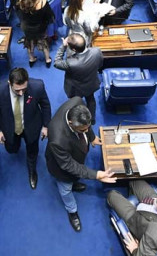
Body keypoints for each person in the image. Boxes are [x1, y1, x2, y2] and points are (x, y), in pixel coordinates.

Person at [44, 98, 115, 232]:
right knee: (65, 190)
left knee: (75, 176)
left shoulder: (78, 102)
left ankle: (74, 183)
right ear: (71, 123)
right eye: (83, 130)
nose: (87, 130)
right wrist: (96, 175)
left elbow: (86, 125)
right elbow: (69, 165)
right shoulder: (58, 139)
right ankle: (72, 211)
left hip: (74, 154)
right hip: (61, 168)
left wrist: (91, 137)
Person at [0, 67, 52, 190]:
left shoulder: (38, 86)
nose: (21, 93)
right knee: (12, 149)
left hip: (31, 125)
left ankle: (32, 171)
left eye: (24, 89)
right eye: (17, 90)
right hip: (9, 127)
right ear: (9, 83)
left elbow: (45, 105)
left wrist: (46, 126)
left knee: (32, 150)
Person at [54, 33, 104, 121]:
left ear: (73, 49)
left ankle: (80, 120)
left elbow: (57, 62)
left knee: (76, 103)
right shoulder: (97, 51)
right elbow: (100, 65)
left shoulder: (70, 63)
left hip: (75, 88)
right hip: (91, 83)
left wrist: (63, 47)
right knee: (91, 100)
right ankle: (92, 119)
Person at [15, 0, 55, 66]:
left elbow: (19, 14)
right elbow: (49, 16)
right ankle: (47, 60)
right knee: (43, 42)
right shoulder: (42, 2)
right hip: (40, 27)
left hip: (27, 27)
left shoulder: (20, 3)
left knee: (29, 42)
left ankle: (31, 59)